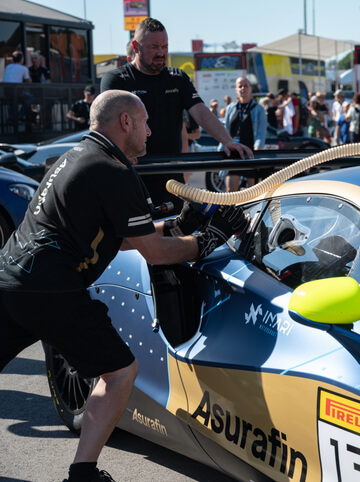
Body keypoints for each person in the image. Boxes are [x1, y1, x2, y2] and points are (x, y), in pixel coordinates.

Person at [0, 89, 248, 482]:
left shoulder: (77, 157)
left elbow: (124, 235)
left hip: (10, 278)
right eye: (145, 122)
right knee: (119, 372)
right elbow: (153, 252)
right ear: (126, 122)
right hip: (51, 287)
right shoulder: (115, 171)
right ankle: (83, 474)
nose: (151, 131)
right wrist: (208, 240)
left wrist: (180, 226)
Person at [100, 17, 252, 216]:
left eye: (164, 46)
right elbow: (104, 125)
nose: (161, 53)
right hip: (133, 175)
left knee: (173, 236)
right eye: (154, 47)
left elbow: (200, 112)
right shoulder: (116, 80)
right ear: (135, 46)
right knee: (135, 242)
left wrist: (227, 141)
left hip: (172, 180)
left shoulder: (177, 78)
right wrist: (120, 152)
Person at [223, 76, 268, 192]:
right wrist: (221, 146)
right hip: (233, 154)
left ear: (250, 88)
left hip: (250, 154)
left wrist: (257, 148)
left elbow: (261, 132)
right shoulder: (230, 108)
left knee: (253, 193)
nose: (243, 88)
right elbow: (226, 129)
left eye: (246, 86)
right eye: (240, 86)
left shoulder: (258, 109)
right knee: (230, 192)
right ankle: (232, 211)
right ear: (236, 90)